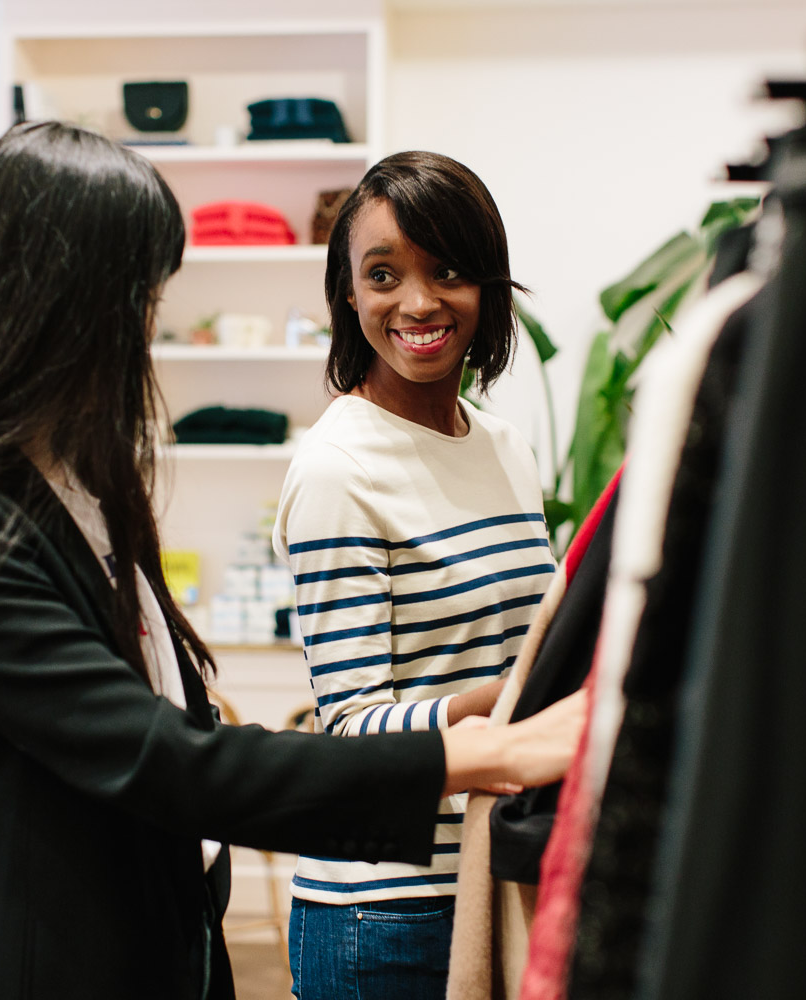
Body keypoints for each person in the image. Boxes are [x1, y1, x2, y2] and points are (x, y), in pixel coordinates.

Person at [0, 122, 583, 1000]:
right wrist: (480, 753)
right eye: (138, 297)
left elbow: (182, 737)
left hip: (158, 947)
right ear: (51, 303)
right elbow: (165, 757)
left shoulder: (80, 486)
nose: (149, 327)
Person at [272, 151, 555, 999]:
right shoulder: (337, 465)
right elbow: (352, 725)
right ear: (348, 295)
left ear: (488, 289)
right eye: (383, 274)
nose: (419, 303)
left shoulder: (503, 446)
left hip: (491, 874)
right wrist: (517, 703)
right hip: (384, 910)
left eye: (449, 271)